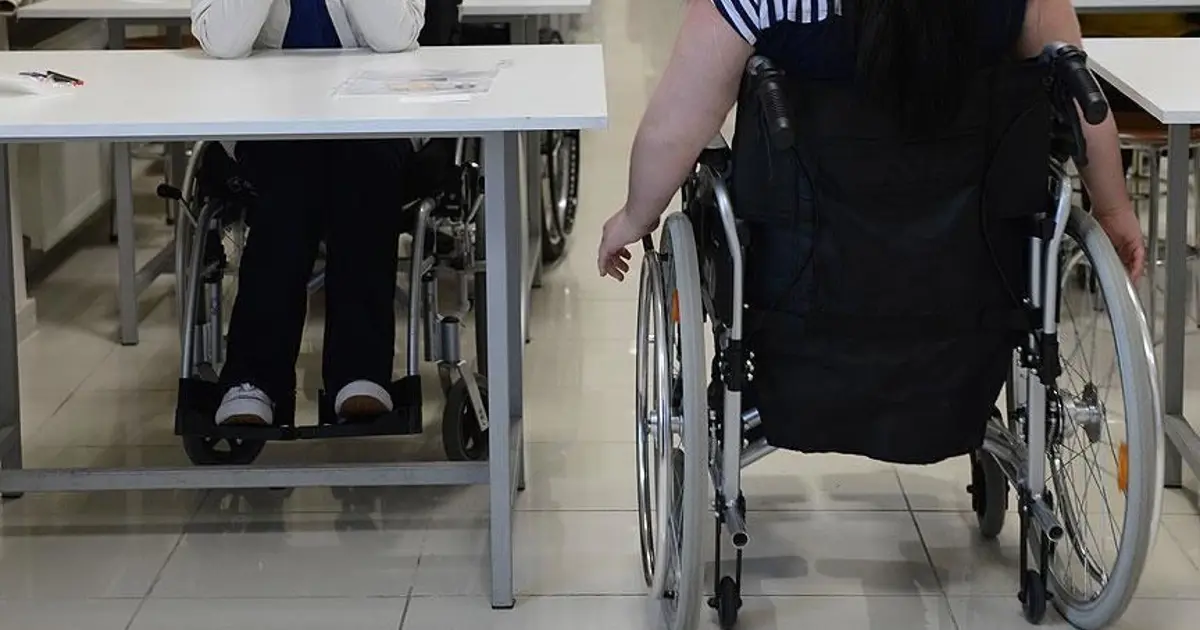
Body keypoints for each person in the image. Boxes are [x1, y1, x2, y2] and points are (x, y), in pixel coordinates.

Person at [596, 0, 1145, 283]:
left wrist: (635, 217)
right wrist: (1115, 209)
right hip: (975, 288)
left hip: (798, 289)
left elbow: (673, 129)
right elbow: (1079, 97)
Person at [190, 0, 426, 426]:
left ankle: (360, 372)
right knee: (288, 185)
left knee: (365, 175)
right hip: (268, 119)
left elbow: (395, 36)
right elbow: (223, 42)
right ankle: (252, 379)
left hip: (373, 116)